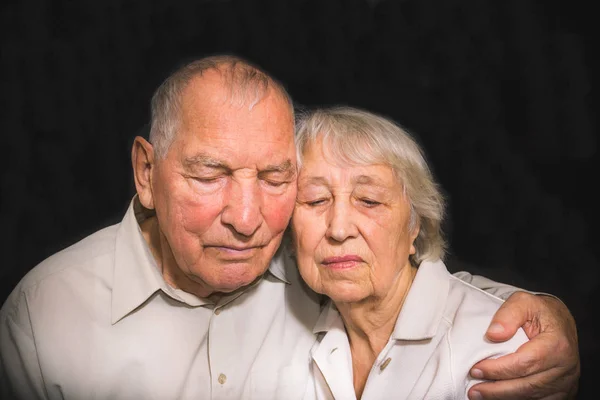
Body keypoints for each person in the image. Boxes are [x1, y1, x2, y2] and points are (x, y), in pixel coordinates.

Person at [0, 55, 579, 400]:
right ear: (147, 173)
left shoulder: (307, 264)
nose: (247, 220)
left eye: (277, 179)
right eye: (210, 174)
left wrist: (544, 315)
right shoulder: (44, 316)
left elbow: (407, 279)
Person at [291, 106, 537, 398]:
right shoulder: (294, 332)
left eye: (369, 201)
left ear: (414, 226)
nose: (339, 229)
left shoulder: (494, 348)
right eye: (316, 200)